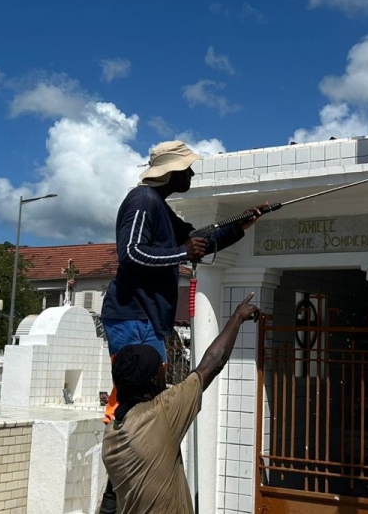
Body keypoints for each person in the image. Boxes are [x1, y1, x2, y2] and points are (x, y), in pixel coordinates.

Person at [97, 140, 265, 513]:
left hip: (147, 318)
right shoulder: (142, 201)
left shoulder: (160, 207)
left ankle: (132, 479)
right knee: (133, 398)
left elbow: (196, 241)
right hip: (131, 315)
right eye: (187, 168)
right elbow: (130, 252)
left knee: (150, 401)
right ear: (171, 172)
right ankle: (113, 496)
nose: (191, 173)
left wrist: (240, 225)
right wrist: (181, 253)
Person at [102, 294, 261, 513]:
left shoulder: (111, 434)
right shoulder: (159, 415)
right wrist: (237, 316)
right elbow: (213, 362)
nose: (165, 373)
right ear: (152, 381)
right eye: (161, 370)